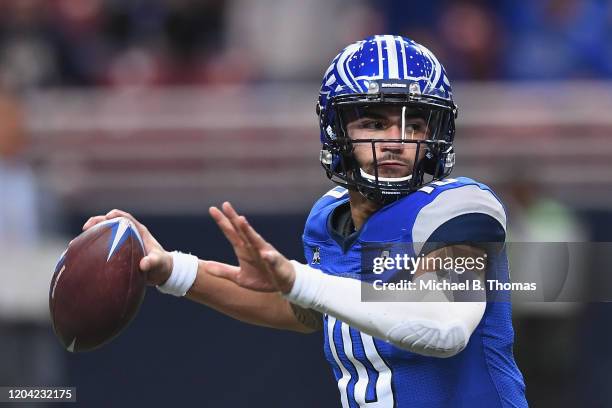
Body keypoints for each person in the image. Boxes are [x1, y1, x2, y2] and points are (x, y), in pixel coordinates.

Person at [83, 35, 527, 407]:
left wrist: (298, 279)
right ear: (337, 130)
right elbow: (313, 312)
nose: (395, 141)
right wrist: (171, 268)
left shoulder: (460, 206)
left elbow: (443, 325)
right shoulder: (328, 219)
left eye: (413, 126)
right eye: (374, 122)